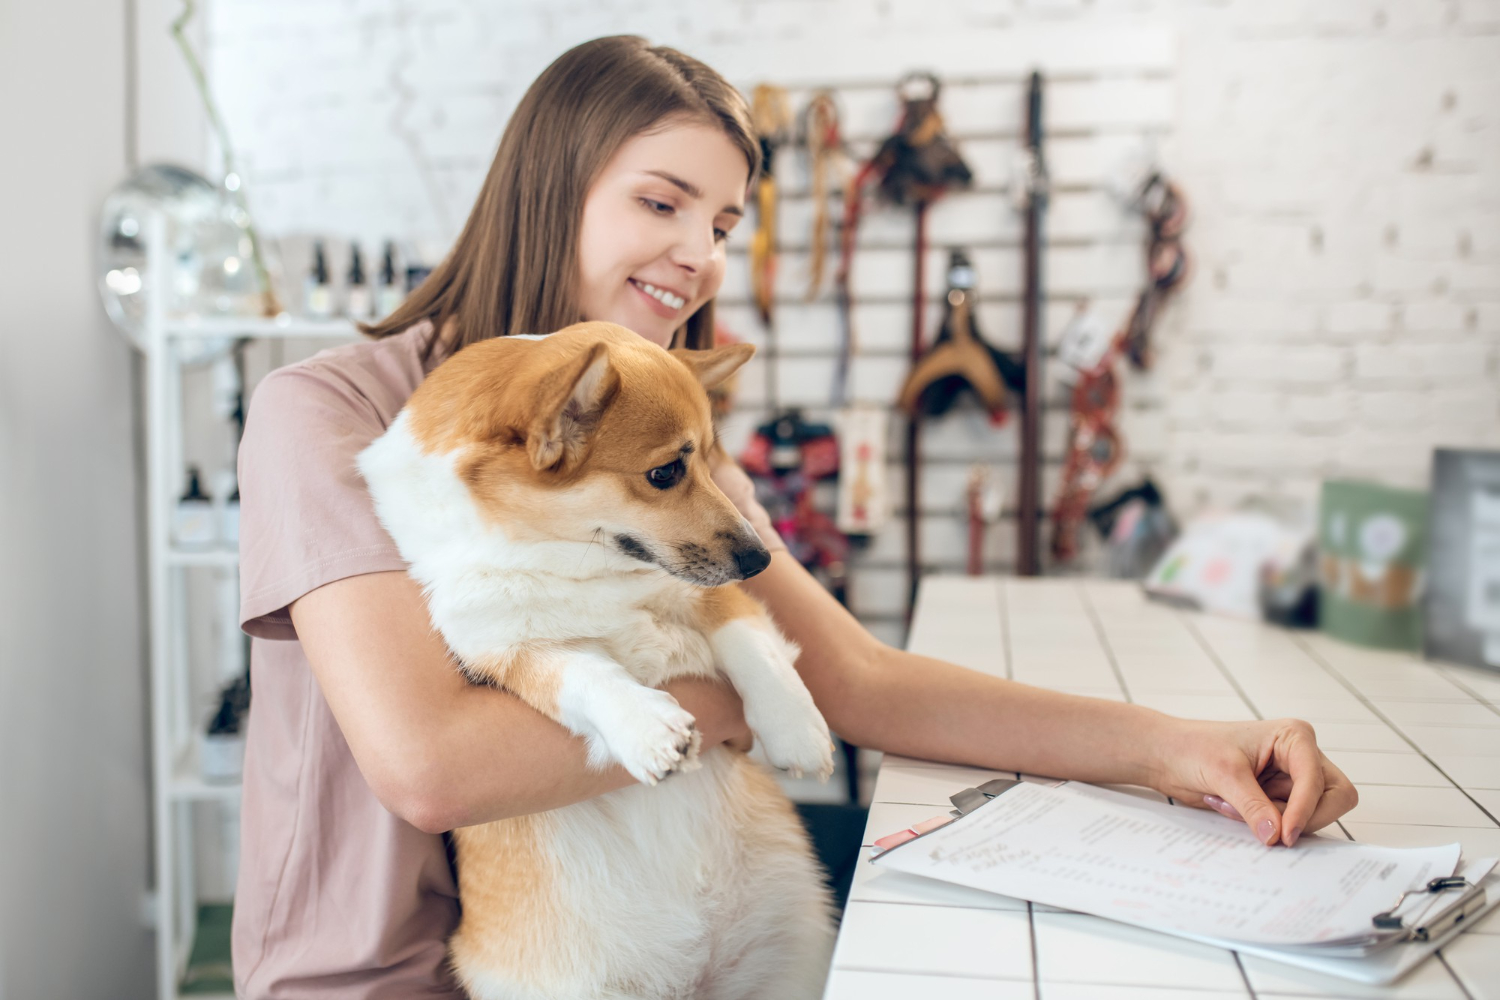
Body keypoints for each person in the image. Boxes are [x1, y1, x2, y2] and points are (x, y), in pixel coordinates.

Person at [233, 34, 1357, 998]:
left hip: (649, 944)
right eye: (662, 203)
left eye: (723, 221)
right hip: (381, 975)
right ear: (549, 187)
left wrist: (1181, 748)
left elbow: (855, 677)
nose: (702, 256)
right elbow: (436, 765)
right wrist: (738, 700)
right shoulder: (330, 418)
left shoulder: (665, 428)